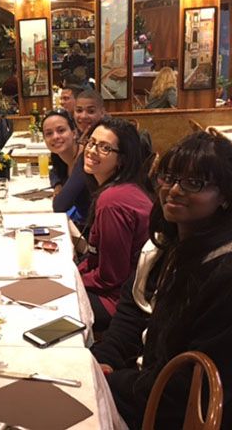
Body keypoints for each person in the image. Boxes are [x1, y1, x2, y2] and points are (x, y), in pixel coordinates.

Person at [92, 132, 232, 429]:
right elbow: (132, 308)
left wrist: (111, 382)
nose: (173, 190)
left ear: (226, 196)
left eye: (193, 183)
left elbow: (192, 393)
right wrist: (104, 358)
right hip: (151, 384)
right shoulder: (173, 243)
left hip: (196, 416)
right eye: (168, 177)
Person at [78, 117, 152, 331]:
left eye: (104, 148)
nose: (91, 151)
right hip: (120, 290)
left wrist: (73, 280)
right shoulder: (125, 188)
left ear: (122, 160)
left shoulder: (113, 202)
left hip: (120, 303)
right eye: (91, 142)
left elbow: (111, 277)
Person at [41, 109, 90, 227]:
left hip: (92, 229)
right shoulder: (58, 156)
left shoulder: (85, 159)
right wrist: (58, 185)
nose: (55, 137)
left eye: (61, 130)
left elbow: (60, 206)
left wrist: (60, 192)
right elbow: (53, 172)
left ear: (74, 133)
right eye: (49, 133)